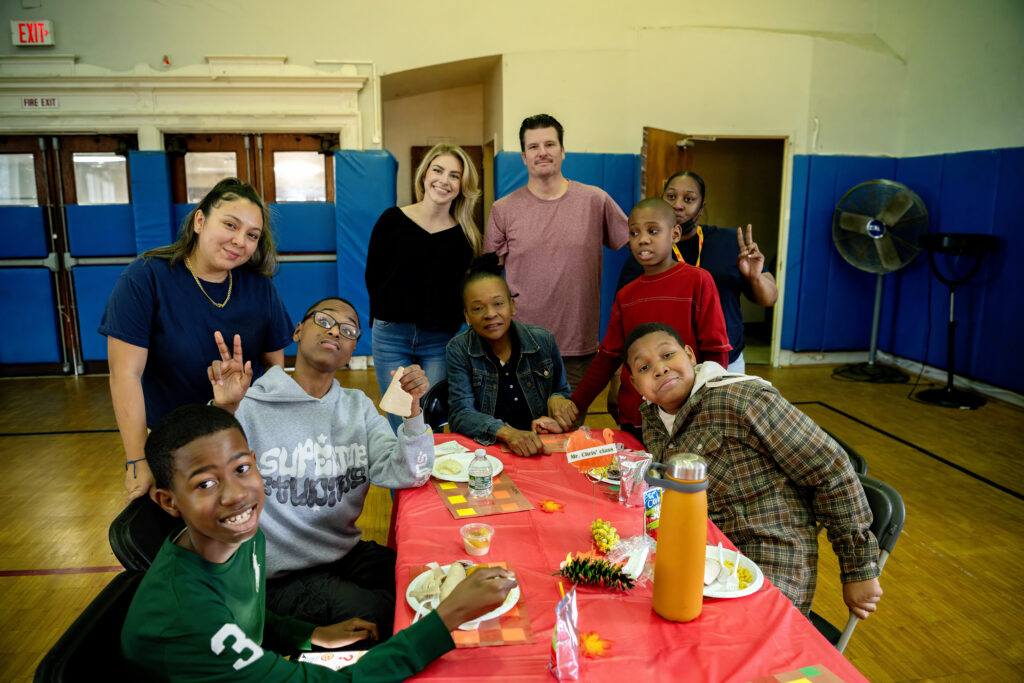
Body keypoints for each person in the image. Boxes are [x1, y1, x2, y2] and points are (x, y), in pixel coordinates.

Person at [122, 403, 517, 682]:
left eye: (241, 469)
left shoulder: (234, 535)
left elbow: (247, 610)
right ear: (168, 502)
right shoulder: (190, 620)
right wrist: (447, 617)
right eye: (206, 484)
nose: (235, 495)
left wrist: (308, 634)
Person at [207, 296, 433, 638]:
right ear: (298, 331)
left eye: (348, 330)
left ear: (353, 349)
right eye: (325, 321)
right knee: (382, 614)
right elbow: (206, 471)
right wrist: (224, 408)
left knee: (426, 581)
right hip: (280, 576)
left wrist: (413, 414)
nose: (335, 332)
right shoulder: (248, 404)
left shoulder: (357, 407)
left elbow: (409, 472)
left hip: (343, 553)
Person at [623, 322, 883, 617]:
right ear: (635, 384)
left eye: (667, 355)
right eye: (644, 368)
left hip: (769, 557)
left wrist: (859, 569)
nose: (659, 369)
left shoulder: (742, 399)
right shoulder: (653, 419)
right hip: (700, 552)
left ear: (691, 355)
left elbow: (829, 468)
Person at [100, 177, 293, 502]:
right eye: (230, 225)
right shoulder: (146, 277)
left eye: (252, 235)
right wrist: (137, 461)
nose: (240, 241)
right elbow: (125, 374)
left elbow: (275, 369)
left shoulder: (259, 286)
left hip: (244, 437)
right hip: (173, 442)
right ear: (200, 221)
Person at [484, 114, 629, 389]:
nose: (542, 152)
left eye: (549, 144)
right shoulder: (503, 209)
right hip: (521, 347)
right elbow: (488, 281)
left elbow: (641, 245)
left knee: (571, 418)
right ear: (524, 157)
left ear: (562, 151)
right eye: (533, 147)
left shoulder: (595, 200)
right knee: (523, 418)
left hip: (579, 347)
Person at [570, 198, 730, 443]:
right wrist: (575, 404)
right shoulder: (626, 295)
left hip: (687, 416)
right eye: (634, 233)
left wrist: (707, 407)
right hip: (636, 418)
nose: (642, 239)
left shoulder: (698, 281)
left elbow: (715, 353)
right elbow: (607, 358)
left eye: (653, 231)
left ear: (675, 234)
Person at [365, 143, 482, 431]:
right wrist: (384, 315)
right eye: (438, 170)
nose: (444, 180)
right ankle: (403, 464)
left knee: (430, 420)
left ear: (462, 185)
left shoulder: (466, 237)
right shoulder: (392, 220)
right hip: (391, 336)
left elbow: (462, 292)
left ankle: (428, 464)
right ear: (424, 174)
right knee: (400, 420)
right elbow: (373, 275)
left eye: (454, 175)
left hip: (438, 341)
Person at [618, 171, 778, 374]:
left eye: (689, 199)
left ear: (701, 208)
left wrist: (754, 277)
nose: (678, 205)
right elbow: (624, 322)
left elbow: (769, 298)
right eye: (671, 196)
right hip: (665, 368)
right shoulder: (645, 252)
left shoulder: (729, 242)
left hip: (726, 363)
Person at [446, 254, 578, 457]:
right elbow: (460, 414)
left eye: (498, 304)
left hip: (539, 448)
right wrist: (508, 433)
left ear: (512, 306)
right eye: (478, 308)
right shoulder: (459, 349)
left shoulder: (542, 340)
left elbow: (560, 391)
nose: (490, 314)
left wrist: (557, 401)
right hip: (487, 453)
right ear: (467, 316)